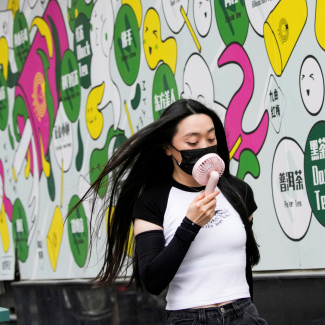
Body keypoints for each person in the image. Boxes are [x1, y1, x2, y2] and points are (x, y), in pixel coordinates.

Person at [68, 99, 268, 325]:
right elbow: (153, 281)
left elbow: (245, 264)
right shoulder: (152, 202)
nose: (204, 147)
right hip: (190, 318)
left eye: (211, 139)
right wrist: (190, 226)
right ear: (167, 147)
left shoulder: (238, 192)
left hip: (243, 313)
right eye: (192, 142)